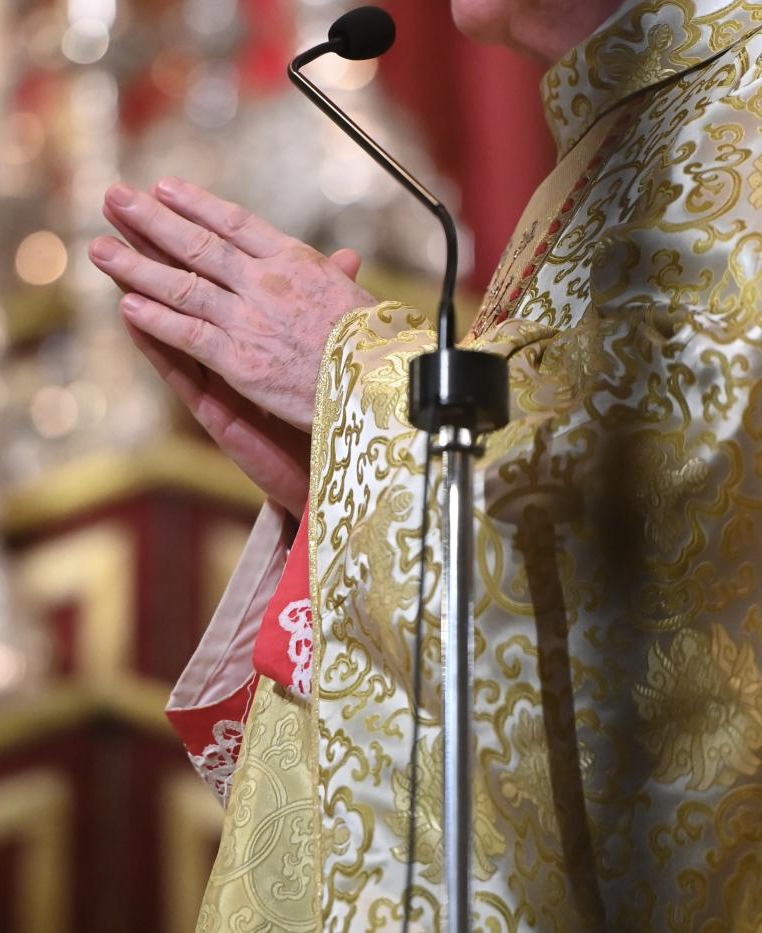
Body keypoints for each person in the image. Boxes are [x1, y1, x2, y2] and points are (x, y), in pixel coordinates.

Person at [89, 0, 762, 928]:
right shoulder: (640, 125)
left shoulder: (743, 129)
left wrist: (356, 379)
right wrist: (340, 488)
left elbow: (664, 545)